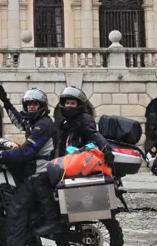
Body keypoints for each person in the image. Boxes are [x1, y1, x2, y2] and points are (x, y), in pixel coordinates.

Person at [0, 86, 57, 246]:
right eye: (28, 104)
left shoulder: (43, 125)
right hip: (36, 171)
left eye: (34, 104)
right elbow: (19, 121)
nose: (30, 107)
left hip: (40, 174)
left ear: (43, 106)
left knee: (16, 212)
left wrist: (0, 154)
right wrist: (6, 102)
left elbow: (27, 152)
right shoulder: (35, 122)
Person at [33, 87, 113, 237]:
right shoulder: (66, 122)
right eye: (67, 103)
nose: (69, 106)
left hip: (76, 164)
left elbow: (94, 134)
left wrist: (106, 148)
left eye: (72, 103)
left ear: (80, 105)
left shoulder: (84, 119)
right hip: (67, 162)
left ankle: (52, 221)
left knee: (40, 181)